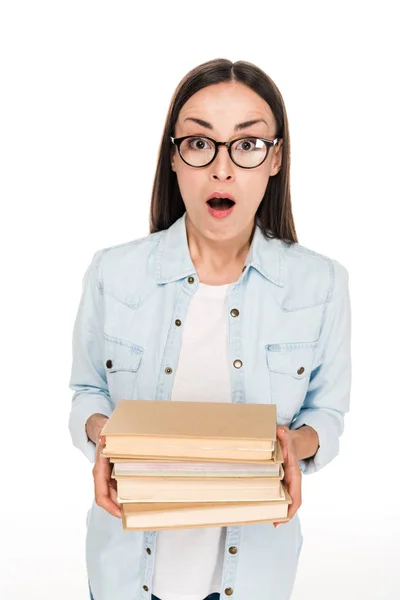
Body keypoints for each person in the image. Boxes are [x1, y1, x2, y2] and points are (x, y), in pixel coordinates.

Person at [68, 58, 352, 600]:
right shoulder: (111, 272)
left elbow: (327, 414)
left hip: (255, 579)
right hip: (124, 573)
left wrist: (293, 445)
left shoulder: (322, 284)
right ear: (174, 158)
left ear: (275, 160)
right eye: (200, 144)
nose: (222, 169)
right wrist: (104, 436)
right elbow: (87, 393)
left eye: (247, 145)